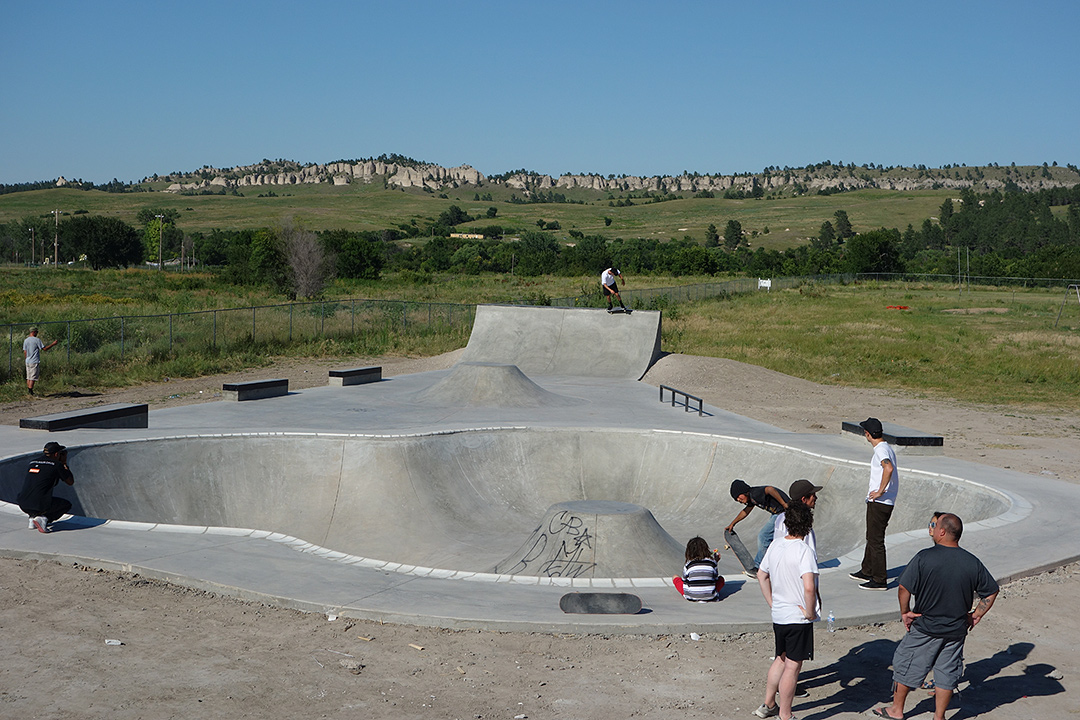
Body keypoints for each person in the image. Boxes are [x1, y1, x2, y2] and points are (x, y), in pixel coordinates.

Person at [872, 513, 999, 720]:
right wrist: (976, 615)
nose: (932, 528)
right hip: (956, 630)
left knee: (906, 664)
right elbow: (991, 591)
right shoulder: (971, 561)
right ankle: (939, 717)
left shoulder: (924, 557)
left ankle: (896, 710)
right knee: (946, 674)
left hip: (926, 627)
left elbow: (904, 587)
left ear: (942, 531)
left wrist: (905, 612)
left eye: (935, 525)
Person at [753, 501, 819, 720]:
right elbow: (809, 587)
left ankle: (768, 704)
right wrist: (810, 613)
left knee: (780, 659)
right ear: (808, 525)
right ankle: (785, 714)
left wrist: (772, 602)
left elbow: (761, 575)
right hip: (797, 618)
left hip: (779, 615)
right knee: (792, 667)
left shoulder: (776, 544)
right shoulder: (804, 551)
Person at [850, 417, 898, 590]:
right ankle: (867, 570)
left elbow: (888, 468)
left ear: (867, 434)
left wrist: (879, 491)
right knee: (871, 536)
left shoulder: (881, 451)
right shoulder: (886, 447)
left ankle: (879, 579)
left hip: (880, 502)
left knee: (876, 540)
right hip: (882, 501)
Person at [727, 479, 790, 574]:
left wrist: (784, 504)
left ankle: (759, 566)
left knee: (763, 536)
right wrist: (733, 523)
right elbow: (745, 512)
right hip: (779, 514)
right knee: (775, 539)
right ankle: (775, 563)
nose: (738, 500)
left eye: (738, 497)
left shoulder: (755, 493)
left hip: (782, 513)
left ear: (744, 491)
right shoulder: (752, 499)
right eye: (736, 500)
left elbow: (770, 489)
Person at [17, 441, 75, 533]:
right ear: (56, 454)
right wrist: (64, 463)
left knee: (36, 495)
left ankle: (32, 518)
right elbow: (70, 481)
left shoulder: (32, 462)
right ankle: (43, 519)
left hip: (23, 503)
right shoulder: (57, 465)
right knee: (66, 505)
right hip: (40, 504)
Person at [673, 536, 726, 601]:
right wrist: (715, 561)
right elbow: (715, 579)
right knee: (721, 579)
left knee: (675, 577)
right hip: (711, 596)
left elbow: (685, 580)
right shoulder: (712, 563)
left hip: (691, 596)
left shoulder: (688, 564)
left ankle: (691, 593)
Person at [23, 326, 59, 396]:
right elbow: (44, 349)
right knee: (33, 377)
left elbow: (25, 351)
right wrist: (53, 344)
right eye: (36, 332)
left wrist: (26, 359)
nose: (37, 333)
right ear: (34, 332)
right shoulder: (37, 340)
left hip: (27, 361)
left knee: (28, 377)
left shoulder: (26, 340)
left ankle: (29, 390)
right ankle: (30, 392)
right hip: (34, 361)